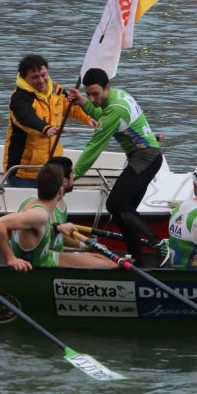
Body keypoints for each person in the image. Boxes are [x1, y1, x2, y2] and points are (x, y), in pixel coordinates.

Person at [66, 67, 168, 265]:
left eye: (95, 94)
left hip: (145, 158)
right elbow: (100, 111)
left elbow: (94, 147)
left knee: (115, 203)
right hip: (145, 156)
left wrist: (74, 175)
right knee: (122, 211)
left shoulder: (115, 109)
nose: (93, 98)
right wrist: (83, 102)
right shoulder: (117, 95)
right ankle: (138, 260)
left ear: (107, 87)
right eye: (89, 94)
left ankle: (158, 243)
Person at [0, 164, 104, 272]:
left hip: (47, 258)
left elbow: (36, 231)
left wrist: (58, 228)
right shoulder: (40, 214)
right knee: (109, 265)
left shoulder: (29, 202)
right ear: (60, 190)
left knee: (99, 256)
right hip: (41, 269)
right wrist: (11, 259)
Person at [3, 54, 94, 188]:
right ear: (24, 78)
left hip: (51, 169)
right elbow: (26, 118)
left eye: (43, 75)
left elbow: (73, 108)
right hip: (23, 173)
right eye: (35, 77)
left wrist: (89, 119)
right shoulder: (19, 99)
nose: (41, 80)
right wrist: (46, 128)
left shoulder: (57, 91)